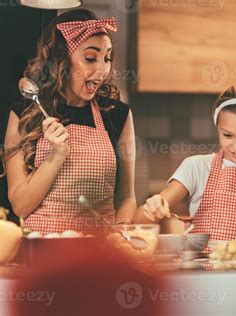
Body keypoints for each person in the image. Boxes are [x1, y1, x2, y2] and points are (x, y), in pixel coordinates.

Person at [1, 9, 136, 234]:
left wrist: (121, 236)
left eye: (107, 58)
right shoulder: (25, 114)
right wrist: (55, 156)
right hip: (44, 253)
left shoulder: (117, 114)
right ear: (61, 60)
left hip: (100, 252)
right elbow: (21, 205)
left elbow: (127, 198)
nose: (102, 70)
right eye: (90, 58)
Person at [136, 85, 236, 251]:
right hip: (200, 275)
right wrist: (151, 209)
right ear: (218, 129)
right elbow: (139, 223)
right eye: (227, 135)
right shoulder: (196, 167)